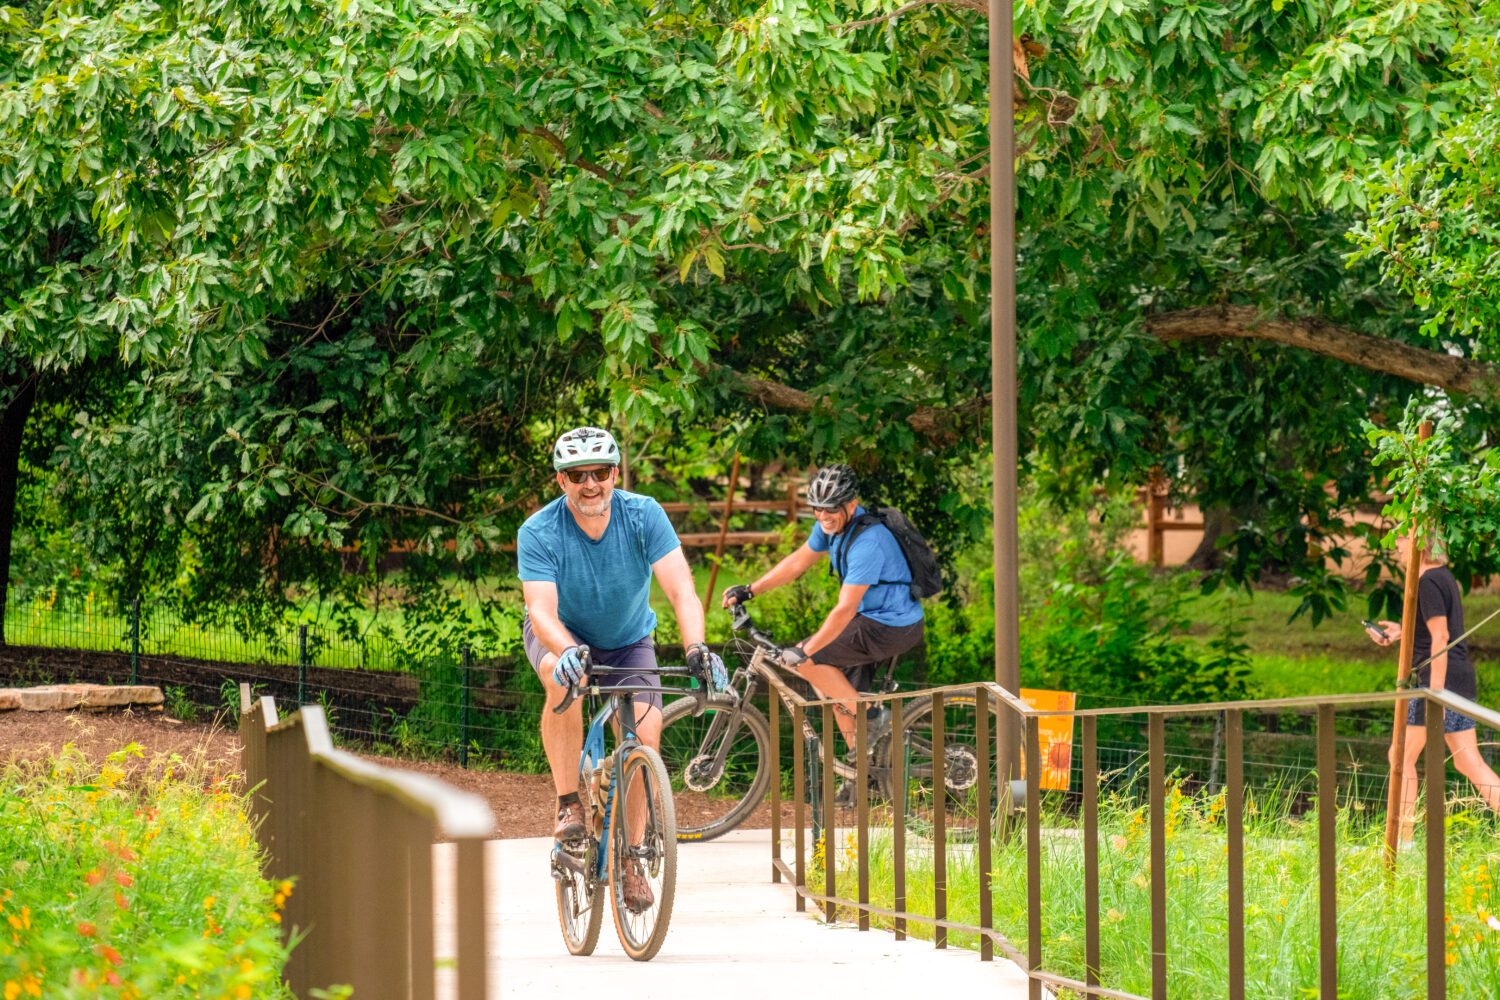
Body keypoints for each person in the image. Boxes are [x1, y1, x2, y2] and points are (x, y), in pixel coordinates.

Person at [517, 426, 725, 912]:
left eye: (600, 473)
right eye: (576, 475)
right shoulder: (539, 530)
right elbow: (541, 610)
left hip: (630, 640)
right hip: (562, 637)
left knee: (644, 738)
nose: (590, 484)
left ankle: (631, 855)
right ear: (560, 481)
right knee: (559, 678)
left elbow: (681, 589)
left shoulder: (643, 515)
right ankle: (568, 799)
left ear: (616, 473)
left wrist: (696, 647)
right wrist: (568, 649)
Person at [721, 464, 924, 759]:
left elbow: (844, 609)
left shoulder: (869, 542)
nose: (823, 517)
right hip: (870, 619)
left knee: (808, 662)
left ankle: (873, 717)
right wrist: (751, 589)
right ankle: (860, 775)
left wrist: (806, 653)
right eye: (817, 509)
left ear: (851, 504)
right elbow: (797, 563)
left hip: (892, 626)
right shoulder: (832, 526)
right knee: (836, 691)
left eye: (831, 509)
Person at [1369, 531, 1500, 845]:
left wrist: (1434, 693)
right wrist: (1402, 632)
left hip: (1438, 682)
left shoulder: (1427, 582)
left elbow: (1441, 637)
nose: (1397, 546)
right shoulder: (1444, 577)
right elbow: (1436, 633)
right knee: (1468, 762)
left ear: (1418, 544)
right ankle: (1404, 841)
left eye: (1400, 539)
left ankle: (1403, 843)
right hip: (1458, 678)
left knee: (1400, 758)